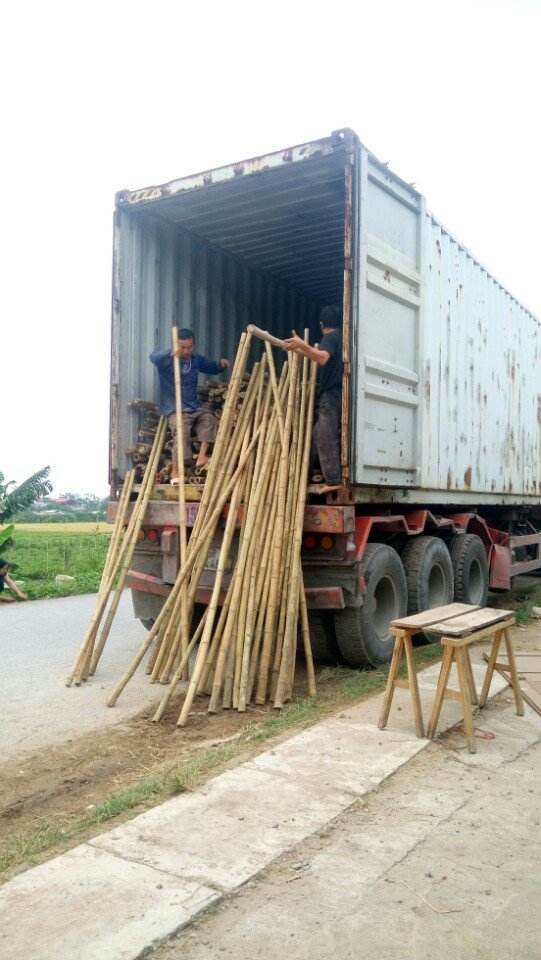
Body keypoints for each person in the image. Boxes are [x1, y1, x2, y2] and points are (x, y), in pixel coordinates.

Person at [150, 329, 230, 480]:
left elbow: (210, 367)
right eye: (183, 347)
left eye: (189, 347)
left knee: (209, 419)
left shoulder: (195, 359)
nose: (186, 351)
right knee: (181, 432)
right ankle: (175, 471)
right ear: (176, 345)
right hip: (176, 408)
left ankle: (202, 456)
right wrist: (170, 353)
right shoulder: (167, 361)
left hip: (193, 406)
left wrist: (221, 365)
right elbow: (153, 357)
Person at [283, 305, 343, 494]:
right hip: (339, 393)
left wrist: (302, 345)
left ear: (321, 324)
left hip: (331, 394)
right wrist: (302, 349)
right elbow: (319, 357)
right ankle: (304, 475)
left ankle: (333, 479)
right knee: (316, 435)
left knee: (326, 435)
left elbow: (322, 358)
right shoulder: (342, 338)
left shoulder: (330, 338)